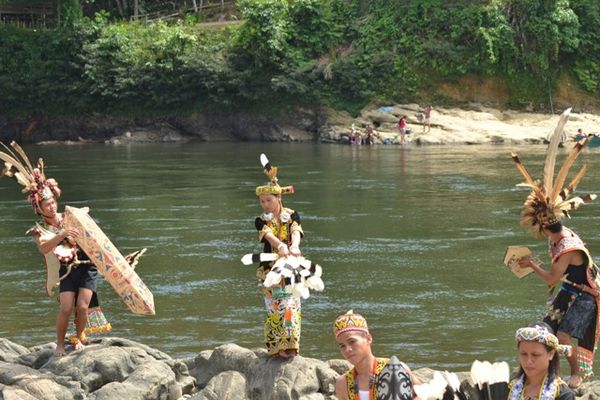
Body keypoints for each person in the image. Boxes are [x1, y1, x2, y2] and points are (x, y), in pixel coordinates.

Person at [0, 142, 111, 357]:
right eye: (46, 204)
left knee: (82, 306)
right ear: (38, 209)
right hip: (67, 270)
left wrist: (84, 216)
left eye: (52, 202)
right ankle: (60, 344)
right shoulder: (39, 229)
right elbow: (44, 249)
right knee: (66, 307)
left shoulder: (69, 215)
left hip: (87, 266)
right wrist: (61, 235)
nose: (52, 206)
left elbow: (90, 230)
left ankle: (79, 337)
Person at [512, 114, 598, 388]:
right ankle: (553, 374)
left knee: (563, 335)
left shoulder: (568, 248)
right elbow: (558, 275)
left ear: (545, 226)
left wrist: (531, 266)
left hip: (587, 295)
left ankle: (577, 374)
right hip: (571, 289)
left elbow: (551, 278)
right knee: (547, 330)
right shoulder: (559, 237)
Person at [254, 154, 304, 358]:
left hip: (291, 265)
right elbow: (268, 236)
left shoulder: (292, 214)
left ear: (279, 198)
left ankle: (291, 345)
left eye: (268, 200)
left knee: (291, 305)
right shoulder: (260, 220)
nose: (265, 204)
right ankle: (276, 347)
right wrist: (281, 245)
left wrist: (295, 246)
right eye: (262, 201)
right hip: (270, 269)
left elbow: (296, 231)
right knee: (274, 307)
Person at [333, 310, 419, 400]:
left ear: (368, 339)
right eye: (342, 346)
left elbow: (423, 395)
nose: (347, 349)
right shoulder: (343, 384)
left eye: (352, 342)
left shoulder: (394, 368)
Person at [509, 323, 574, 400]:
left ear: (551, 354)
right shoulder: (509, 387)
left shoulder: (564, 395)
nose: (528, 361)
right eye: (524, 354)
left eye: (535, 355)